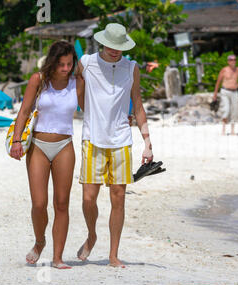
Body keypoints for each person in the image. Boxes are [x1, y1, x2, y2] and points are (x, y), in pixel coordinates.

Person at [75, 23, 153, 268]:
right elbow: (79, 96)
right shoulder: (86, 63)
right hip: (92, 139)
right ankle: (92, 235)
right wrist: (94, 116)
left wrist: (147, 142)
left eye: (120, 47)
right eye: (112, 46)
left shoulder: (131, 68)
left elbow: (137, 105)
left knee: (118, 197)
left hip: (121, 141)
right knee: (89, 198)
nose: (115, 51)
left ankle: (113, 254)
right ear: (103, 42)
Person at [10, 41, 80, 269]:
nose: (65, 68)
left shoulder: (77, 82)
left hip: (64, 146)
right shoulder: (38, 80)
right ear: (53, 61)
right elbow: (24, 111)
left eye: (69, 64)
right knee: (39, 203)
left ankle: (57, 257)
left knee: (62, 204)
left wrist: (123, 118)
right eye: (61, 64)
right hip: (38, 145)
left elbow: (93, 107)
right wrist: (16, 140)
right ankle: (40, 241)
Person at [213, 54, 238, 135]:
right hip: (225, 92)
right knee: (226, 110)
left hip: (234, 92)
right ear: (228, 61)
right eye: (231, 60)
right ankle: (223, 129)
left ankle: (232, 130)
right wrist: (215, 94)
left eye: (234, 59)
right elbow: (218, 82)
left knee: (234, 111)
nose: (233, 61)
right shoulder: (224, 70)